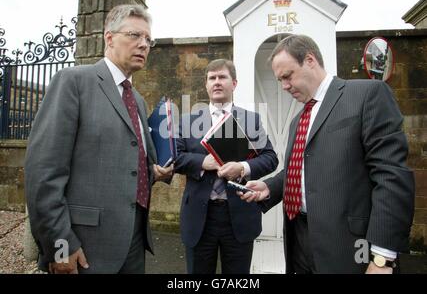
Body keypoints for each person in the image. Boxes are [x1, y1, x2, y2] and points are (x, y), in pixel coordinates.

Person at [240, 34, 415, 274]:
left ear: (310, 60)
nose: (284, 86)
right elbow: (300, 170)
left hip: (348, 246)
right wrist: (270, 187)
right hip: (297, 238)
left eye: (287, 76)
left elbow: (391, 177)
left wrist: (382, 258)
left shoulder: (367, 95)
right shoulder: (297, 120)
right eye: (279, 80)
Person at [24, 4, 173, 274]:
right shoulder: (73, 82)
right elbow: (43, 172)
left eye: (148, 39)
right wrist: (59, 246)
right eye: (134, 35)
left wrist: (152, 172)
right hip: (84, 248)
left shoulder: (137, 99)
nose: (144, 45)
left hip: (134, 241)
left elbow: (126, 164)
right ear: (109, 37)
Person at [174, 59, 278, 274]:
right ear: (206, 84)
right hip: (200, 218)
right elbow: (175, 158)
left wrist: (241, 167)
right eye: (212, 78)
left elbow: (270, 158)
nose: (217, 82)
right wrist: (203, 162)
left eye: (222, 77)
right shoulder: (187, 121)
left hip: (239, 216)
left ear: (234, 83)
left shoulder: (251, 120)